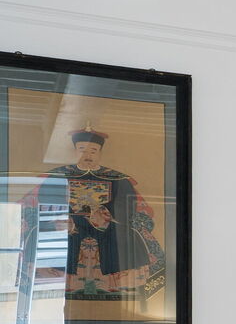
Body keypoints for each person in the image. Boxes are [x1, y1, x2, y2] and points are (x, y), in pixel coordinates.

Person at [19, 126, 166, 304]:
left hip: (106, 223)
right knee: (45, 232)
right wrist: (61, 218)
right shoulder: (57, 176)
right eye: (82, 149)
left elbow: (129, 207)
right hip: (69, 223)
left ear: (100, 153)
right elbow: (43, 202)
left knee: (128, 235)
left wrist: (106, 217)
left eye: (93, 151)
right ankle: (54, 280)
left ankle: (119, 282)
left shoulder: (117, 179)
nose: (87, 155)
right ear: (75, 151)